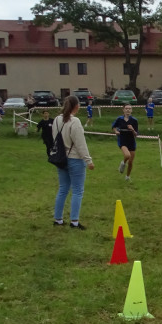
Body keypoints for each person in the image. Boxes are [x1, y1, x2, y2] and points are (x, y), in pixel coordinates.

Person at [52, 95, 94, 229]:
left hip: (61, 158)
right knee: (77, 191)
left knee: (63, 189)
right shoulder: (74, 121)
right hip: (75, 159)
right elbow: (80, 143)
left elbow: (55, 138)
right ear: (77, 107)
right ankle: (74, 221)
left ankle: (58, 219)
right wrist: (89, 160)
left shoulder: (57, 119)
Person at [112, 104, 140, 181]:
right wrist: (116, 131)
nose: (128, 110)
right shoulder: (119, 119)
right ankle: (123, 163)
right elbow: (114, 126)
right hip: (122, 140)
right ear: (123, 110)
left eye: (129, 109)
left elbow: (136, 134)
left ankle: (127, 176)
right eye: (126, 108)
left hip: (131, 141)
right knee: (127, 156)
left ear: (131, 110)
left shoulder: (134, 120)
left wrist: (132, 129)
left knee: (131, 162)